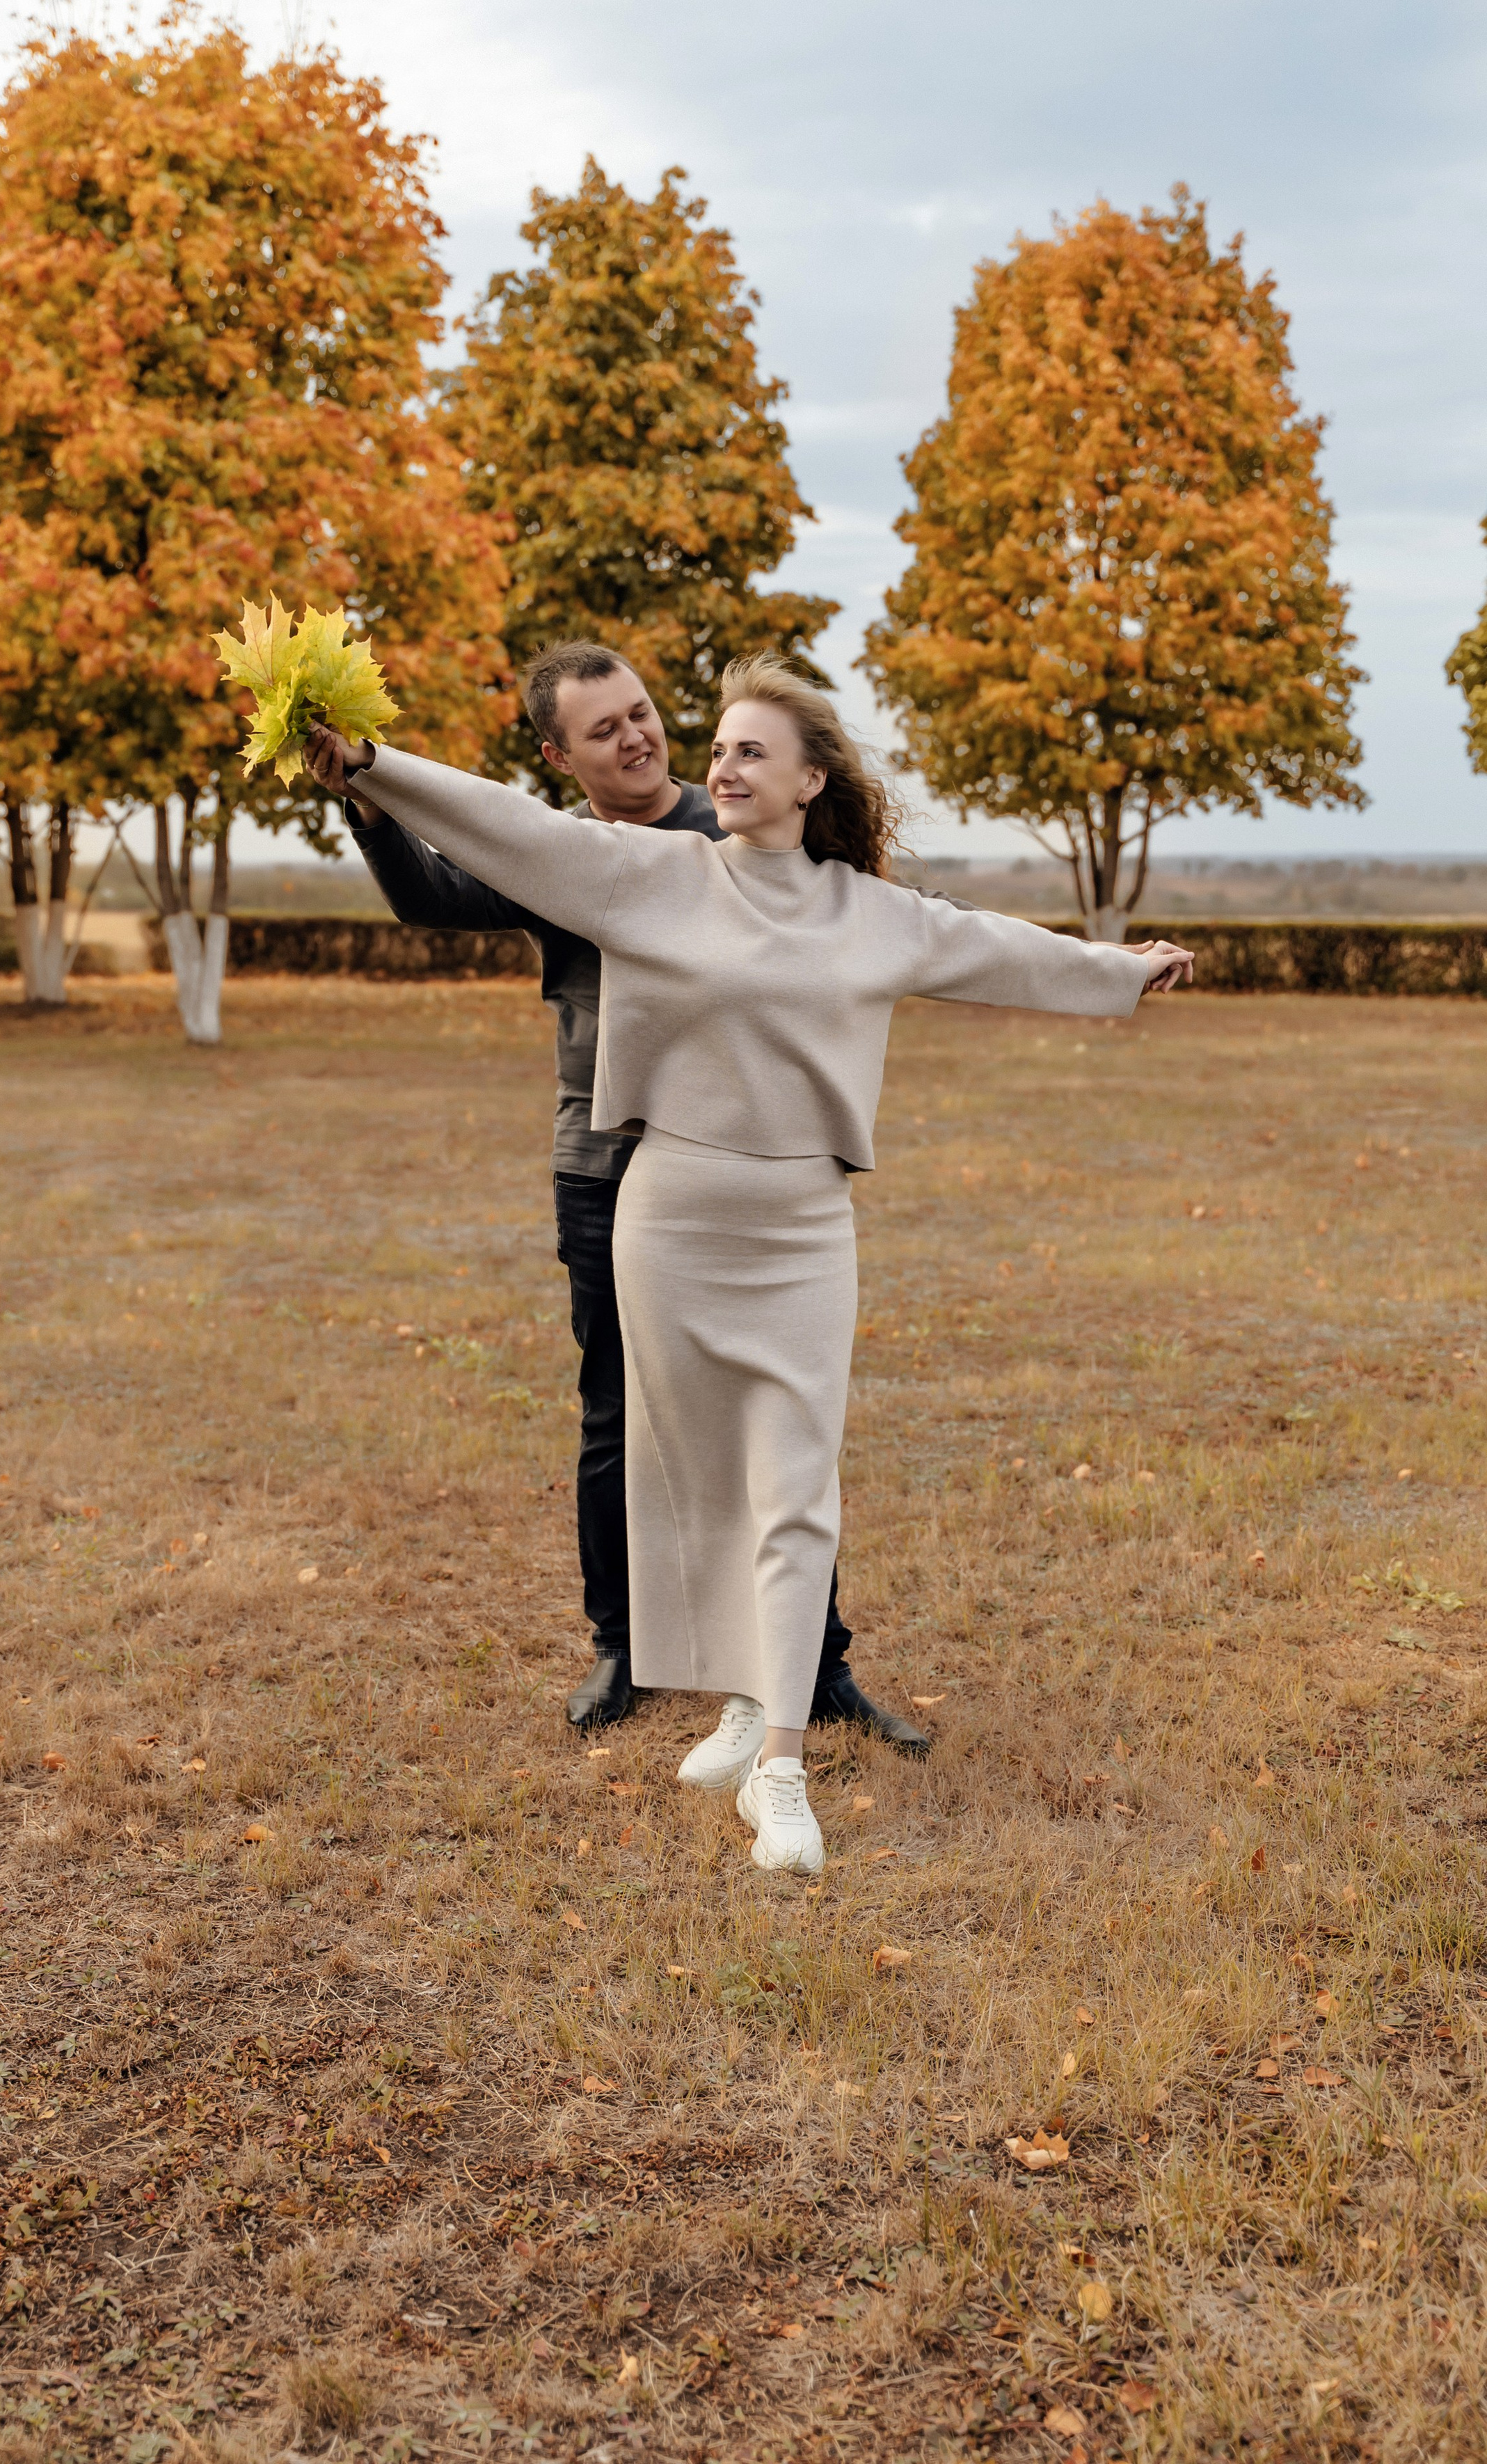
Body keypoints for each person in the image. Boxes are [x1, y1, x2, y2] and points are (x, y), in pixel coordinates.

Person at [307, 658, 1192, 1874]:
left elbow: (991, 950)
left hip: (802, 1228)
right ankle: (741, 1697)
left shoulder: (866, 912)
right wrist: (367, 768)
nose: (715, 766)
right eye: (715, 747)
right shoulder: (649, 873)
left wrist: (1120, 972)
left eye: (746, 752)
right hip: (665, 1215)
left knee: (795, 1479)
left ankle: (780, 1769)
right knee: (699, 1479)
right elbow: (501, 825)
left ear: (810, 779)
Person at [316, 640, 919, 1754]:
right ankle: (622, 1646)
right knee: (613, 1413)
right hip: (606, 1167)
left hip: (747, 1175)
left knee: (780, 1428)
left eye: (642, 713)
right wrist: (365, 801)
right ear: (561, 755)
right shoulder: (563, 856)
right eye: (606, 730)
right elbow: (433, 898)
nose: (638, 737)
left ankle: (817, 1666)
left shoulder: (735, 820)